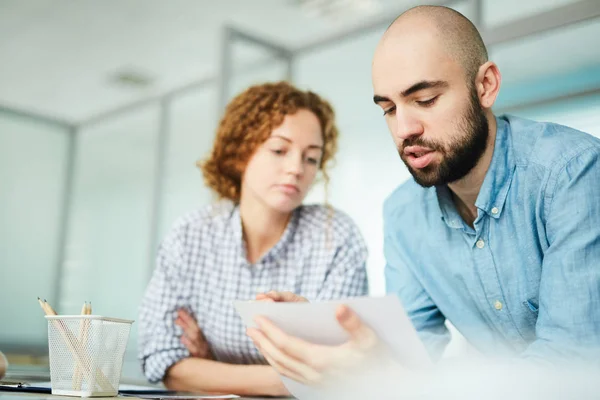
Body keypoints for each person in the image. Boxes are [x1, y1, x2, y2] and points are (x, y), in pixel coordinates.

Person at [246, 4, 600, 386]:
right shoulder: (403, 214)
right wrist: (332, 343)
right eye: (388, 108)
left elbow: (570, 366)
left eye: (425, 99)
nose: (404, 129)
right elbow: (410, 358)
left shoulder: (571, 173)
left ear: (485, 86)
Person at [138, 81, 369, 396]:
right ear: (241, 152)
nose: (296, 168)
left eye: (311, 158)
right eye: (279, 150)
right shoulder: (190, 235)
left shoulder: (336, 237)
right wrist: (288, 379)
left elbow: (341, 370)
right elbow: (162, 360)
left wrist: (211, 367)